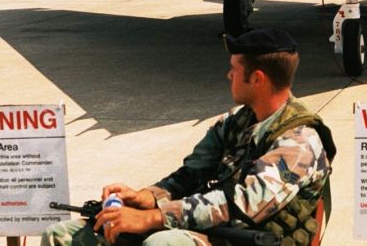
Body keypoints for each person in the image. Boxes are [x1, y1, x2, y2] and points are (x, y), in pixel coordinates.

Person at [42, 28, 336, 246]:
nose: (228, 75)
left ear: (257, 78)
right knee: (63, 236)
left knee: (162, 244)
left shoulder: (299, 142)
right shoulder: (238, 121)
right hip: (209, 228)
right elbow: (189, 175)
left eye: (234, 70)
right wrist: (146, 197)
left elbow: (242, 205)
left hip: (253, 238)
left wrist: (154, 217)